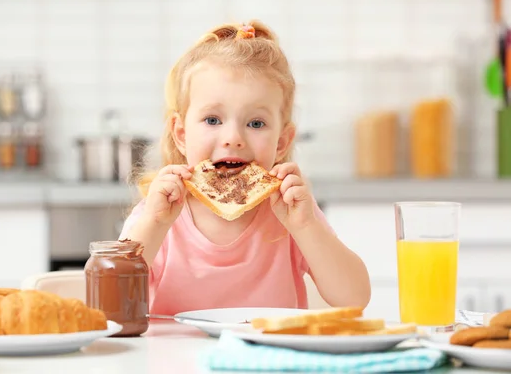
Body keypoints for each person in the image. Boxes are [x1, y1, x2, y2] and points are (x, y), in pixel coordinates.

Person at [119, 20, 371, 315]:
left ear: (281, 142)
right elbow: (112, 298)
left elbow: (354, 297)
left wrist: (306, 227)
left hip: (270, 359)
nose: (233, 139)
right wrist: (154, 225)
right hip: (172, 358)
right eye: (213, 120)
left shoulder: (291, 214)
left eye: (256, 123)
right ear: (182, 134)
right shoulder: (157, 213)